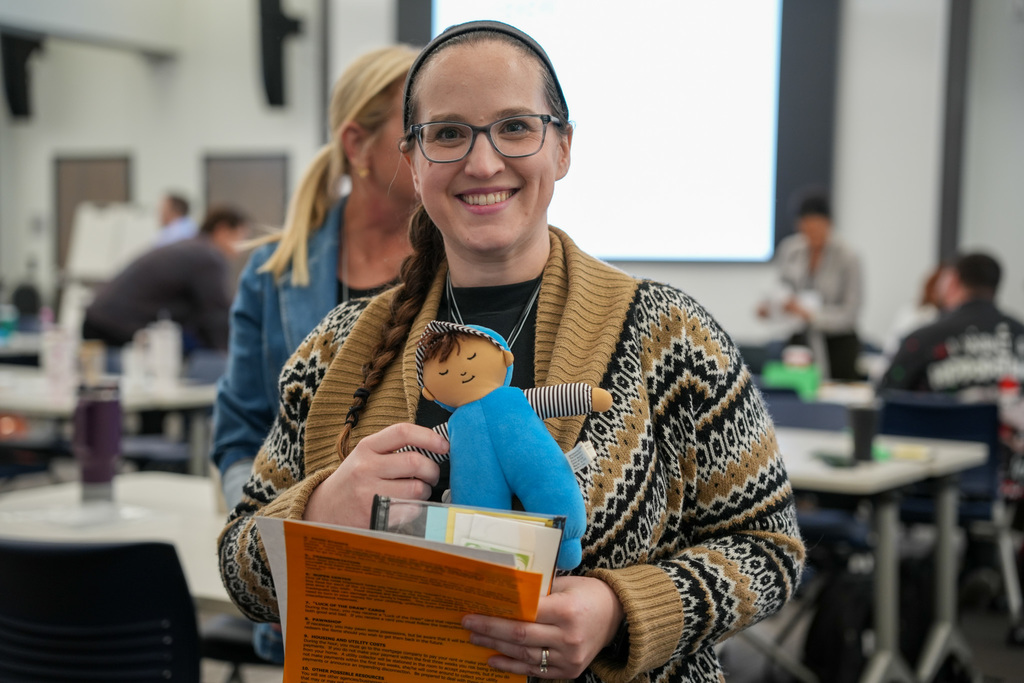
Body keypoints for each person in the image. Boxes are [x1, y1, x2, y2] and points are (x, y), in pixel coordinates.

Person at [218, 20, 804, 682]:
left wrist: (621, 608)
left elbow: (770, 549)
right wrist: (318, 510)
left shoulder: (673, 336)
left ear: (562, 147)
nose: (483, 162)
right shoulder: (334, 349)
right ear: (411, 161)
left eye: (516, 128)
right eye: (448, 134)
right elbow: (240, 565)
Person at [210, 44, 419, 665]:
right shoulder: (274, 277)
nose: (448, 145)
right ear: (358, 144)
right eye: (421, 127)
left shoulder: (465, 266)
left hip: (427, 590)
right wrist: (271, 534)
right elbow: (238, 435)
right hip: (312, 591)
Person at [82, 206, 248, 351]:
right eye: (240, 238)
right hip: (114, 326)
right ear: (222, 230)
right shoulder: (209, 256)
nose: (241, 249)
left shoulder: (192, 247)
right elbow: (215, 315)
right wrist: (231, 357)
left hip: (99, 318)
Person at [879, 252, 1024, 393]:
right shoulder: (1019, 334)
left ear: (953, 280)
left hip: (934, 417)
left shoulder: (921, 341)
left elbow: (886, 397)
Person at [757, 190, 864, 380]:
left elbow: (850, 313)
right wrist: (772, 308)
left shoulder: (848, 257)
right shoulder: (791, 249)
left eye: (816, 227)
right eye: (805, 228)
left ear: (828, 224)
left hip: (836, 345)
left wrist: (811, 315)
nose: (811, 234)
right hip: (799, 342)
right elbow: (780, 288)